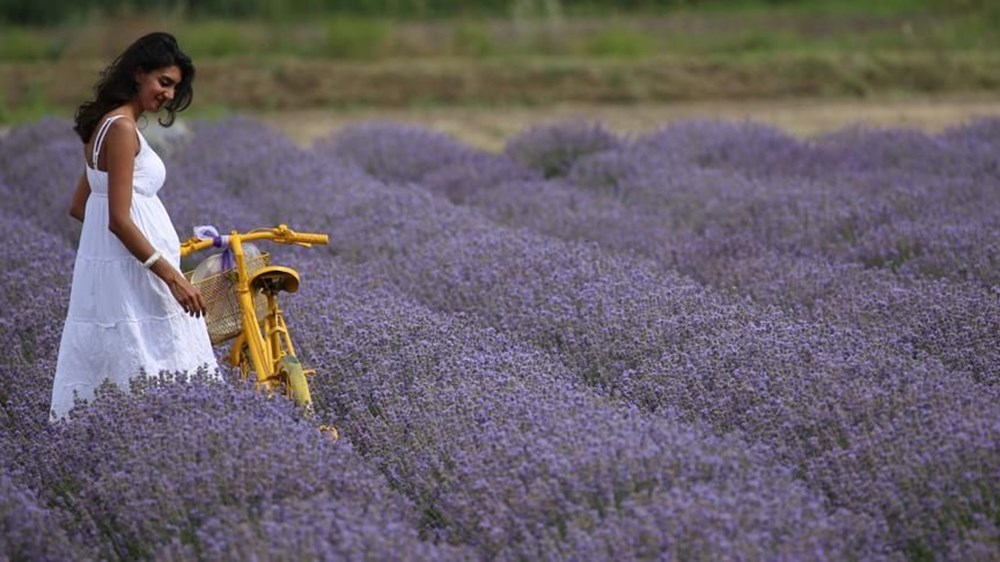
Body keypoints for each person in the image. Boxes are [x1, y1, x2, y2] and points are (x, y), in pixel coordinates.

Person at [50, 32, 218, 420]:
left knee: (127, 365)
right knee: (157, 364)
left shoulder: (104, 127)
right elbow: (119, 219)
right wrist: (172, 276)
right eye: (164, 82)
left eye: (174, 87)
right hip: (143, 275)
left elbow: (82, 206)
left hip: (128, 270)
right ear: (139, 74)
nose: (168, 95)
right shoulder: (123, 130)